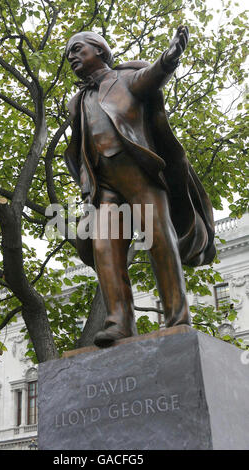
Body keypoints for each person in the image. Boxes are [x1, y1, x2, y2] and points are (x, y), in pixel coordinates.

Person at [64, 28, 216, 347]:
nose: (72, 57)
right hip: (102, 185)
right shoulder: (77, 101)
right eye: (69, 55)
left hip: (139, 173)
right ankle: (118, 322)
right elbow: (78, 150)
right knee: (105, 250)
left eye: (78, 49)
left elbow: (153, 75)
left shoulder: (126, 79)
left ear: (101, 51)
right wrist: (85, 190)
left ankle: (177, 317)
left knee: (159, 239)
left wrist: (169, 57)